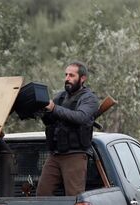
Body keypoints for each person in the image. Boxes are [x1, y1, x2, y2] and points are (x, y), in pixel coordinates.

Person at [36, 61, 99, 197]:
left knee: (74, 197)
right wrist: (42, 111)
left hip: (75, 155)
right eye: (66, 75)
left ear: (82, 78)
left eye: (71, 75)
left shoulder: (89, 98)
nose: (67, 78)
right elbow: (50, 121)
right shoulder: (60, 97)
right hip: (56, 154)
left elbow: (80, 117)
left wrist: (54, 108)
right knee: (42, 193)